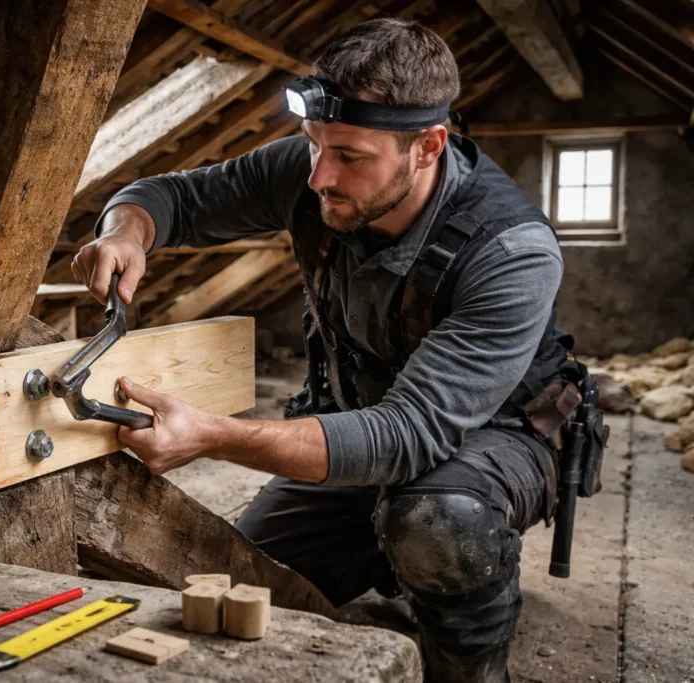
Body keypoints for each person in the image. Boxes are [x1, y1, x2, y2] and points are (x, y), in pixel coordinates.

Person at [72, 17, 585, 683]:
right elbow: (170, 197)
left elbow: (409, 433)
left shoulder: (511, 251)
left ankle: (470, 666)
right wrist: (128, 233)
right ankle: (386, 555)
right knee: (236, 576)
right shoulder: (315, 171)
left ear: (428, 146)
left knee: (436, 518)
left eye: (350, 156)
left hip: (495, 435)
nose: (320, 177)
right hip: (361, 420)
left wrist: (213, 435)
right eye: (314, 146)